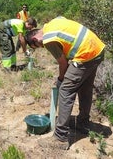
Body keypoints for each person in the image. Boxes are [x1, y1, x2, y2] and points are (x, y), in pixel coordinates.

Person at [25, 16, 105, 150]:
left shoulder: (48, 39)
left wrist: (61, 79)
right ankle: (83, 123)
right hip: (97, 49)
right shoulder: (52, 22)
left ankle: (60, 138)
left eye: (38, 46)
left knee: (65, 91)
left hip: (85, 54)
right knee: (85, 88)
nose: (42, 47)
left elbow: (63, 63)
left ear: (35, 39)